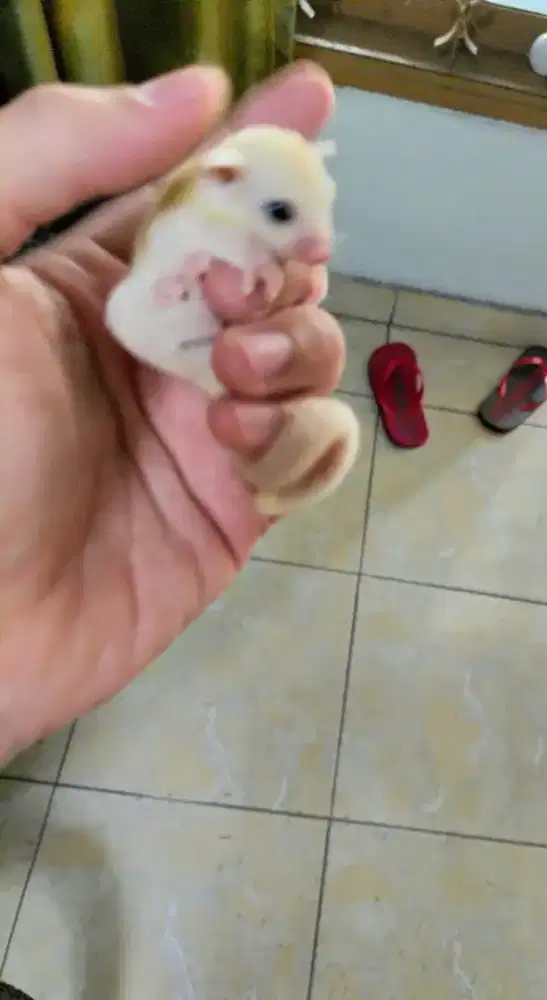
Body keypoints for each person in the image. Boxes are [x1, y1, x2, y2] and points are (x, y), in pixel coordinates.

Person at [0, 60, 345, 767]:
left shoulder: (229, 205)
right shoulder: (206, 212)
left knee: (269, 385)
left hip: (177, 357)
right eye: (284, 216)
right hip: (154, 331)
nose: (316, 241)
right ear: (226, 185)